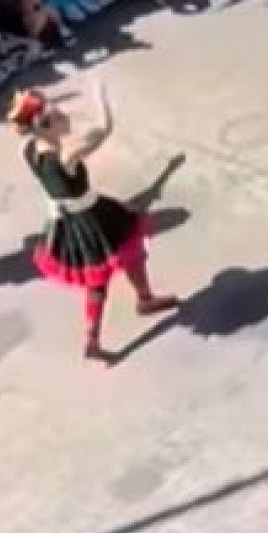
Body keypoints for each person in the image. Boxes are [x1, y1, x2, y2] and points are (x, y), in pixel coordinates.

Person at [14, 84, 178, 362]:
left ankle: (96, 337)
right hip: (94, 217)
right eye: (60, 117)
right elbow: (103, 129)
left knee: (101, 274)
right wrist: (101, 97)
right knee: (129, 247)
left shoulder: (28, 149)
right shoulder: (67, 156)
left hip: (67, 221)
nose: (66, 118)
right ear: (45, 126)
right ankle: (143, 300)